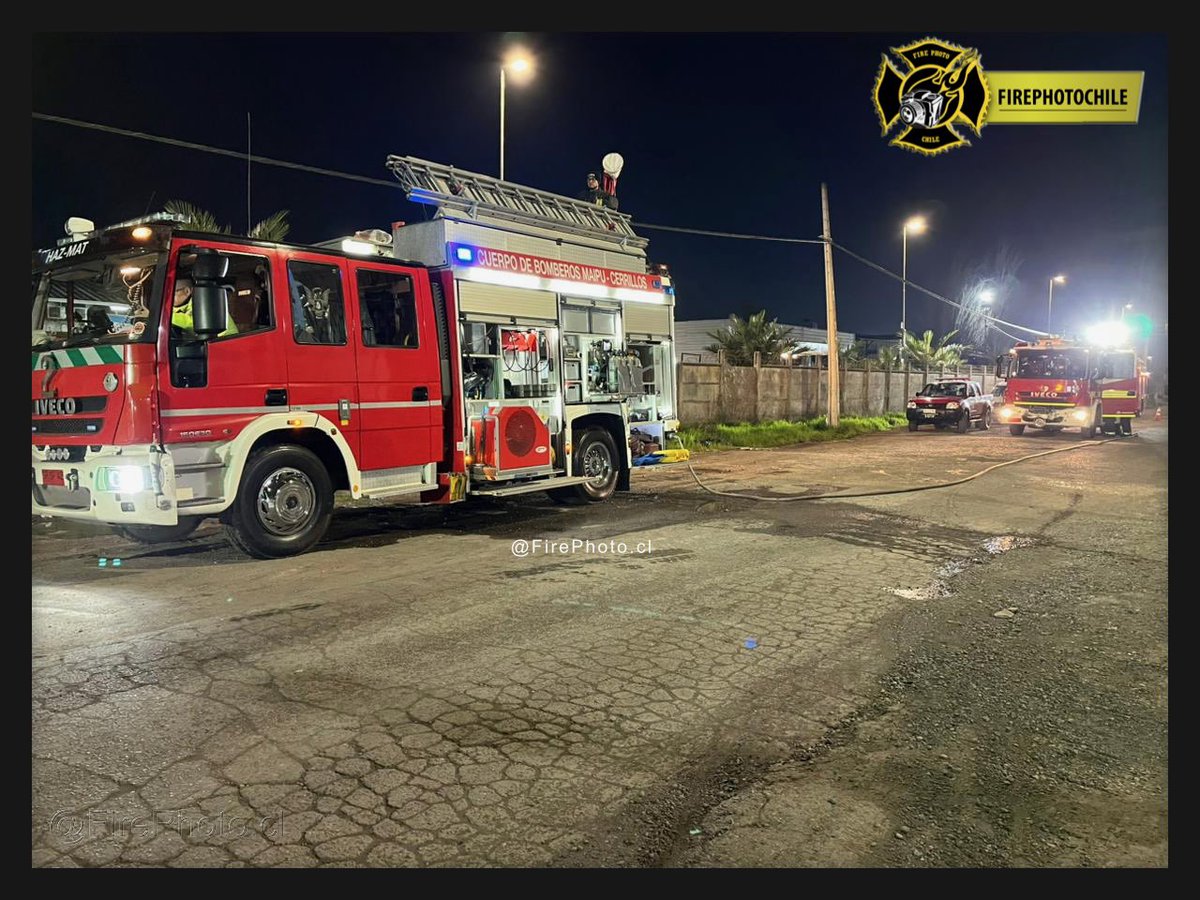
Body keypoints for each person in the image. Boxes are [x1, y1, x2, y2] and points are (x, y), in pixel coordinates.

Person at [172, 276, 237, 338]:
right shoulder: (180, 306)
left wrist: (168, 316)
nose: (169, 297)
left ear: (187, 291)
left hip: (227, 341)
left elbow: (194, 323)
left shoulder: (203, 301)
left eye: (172, 293)